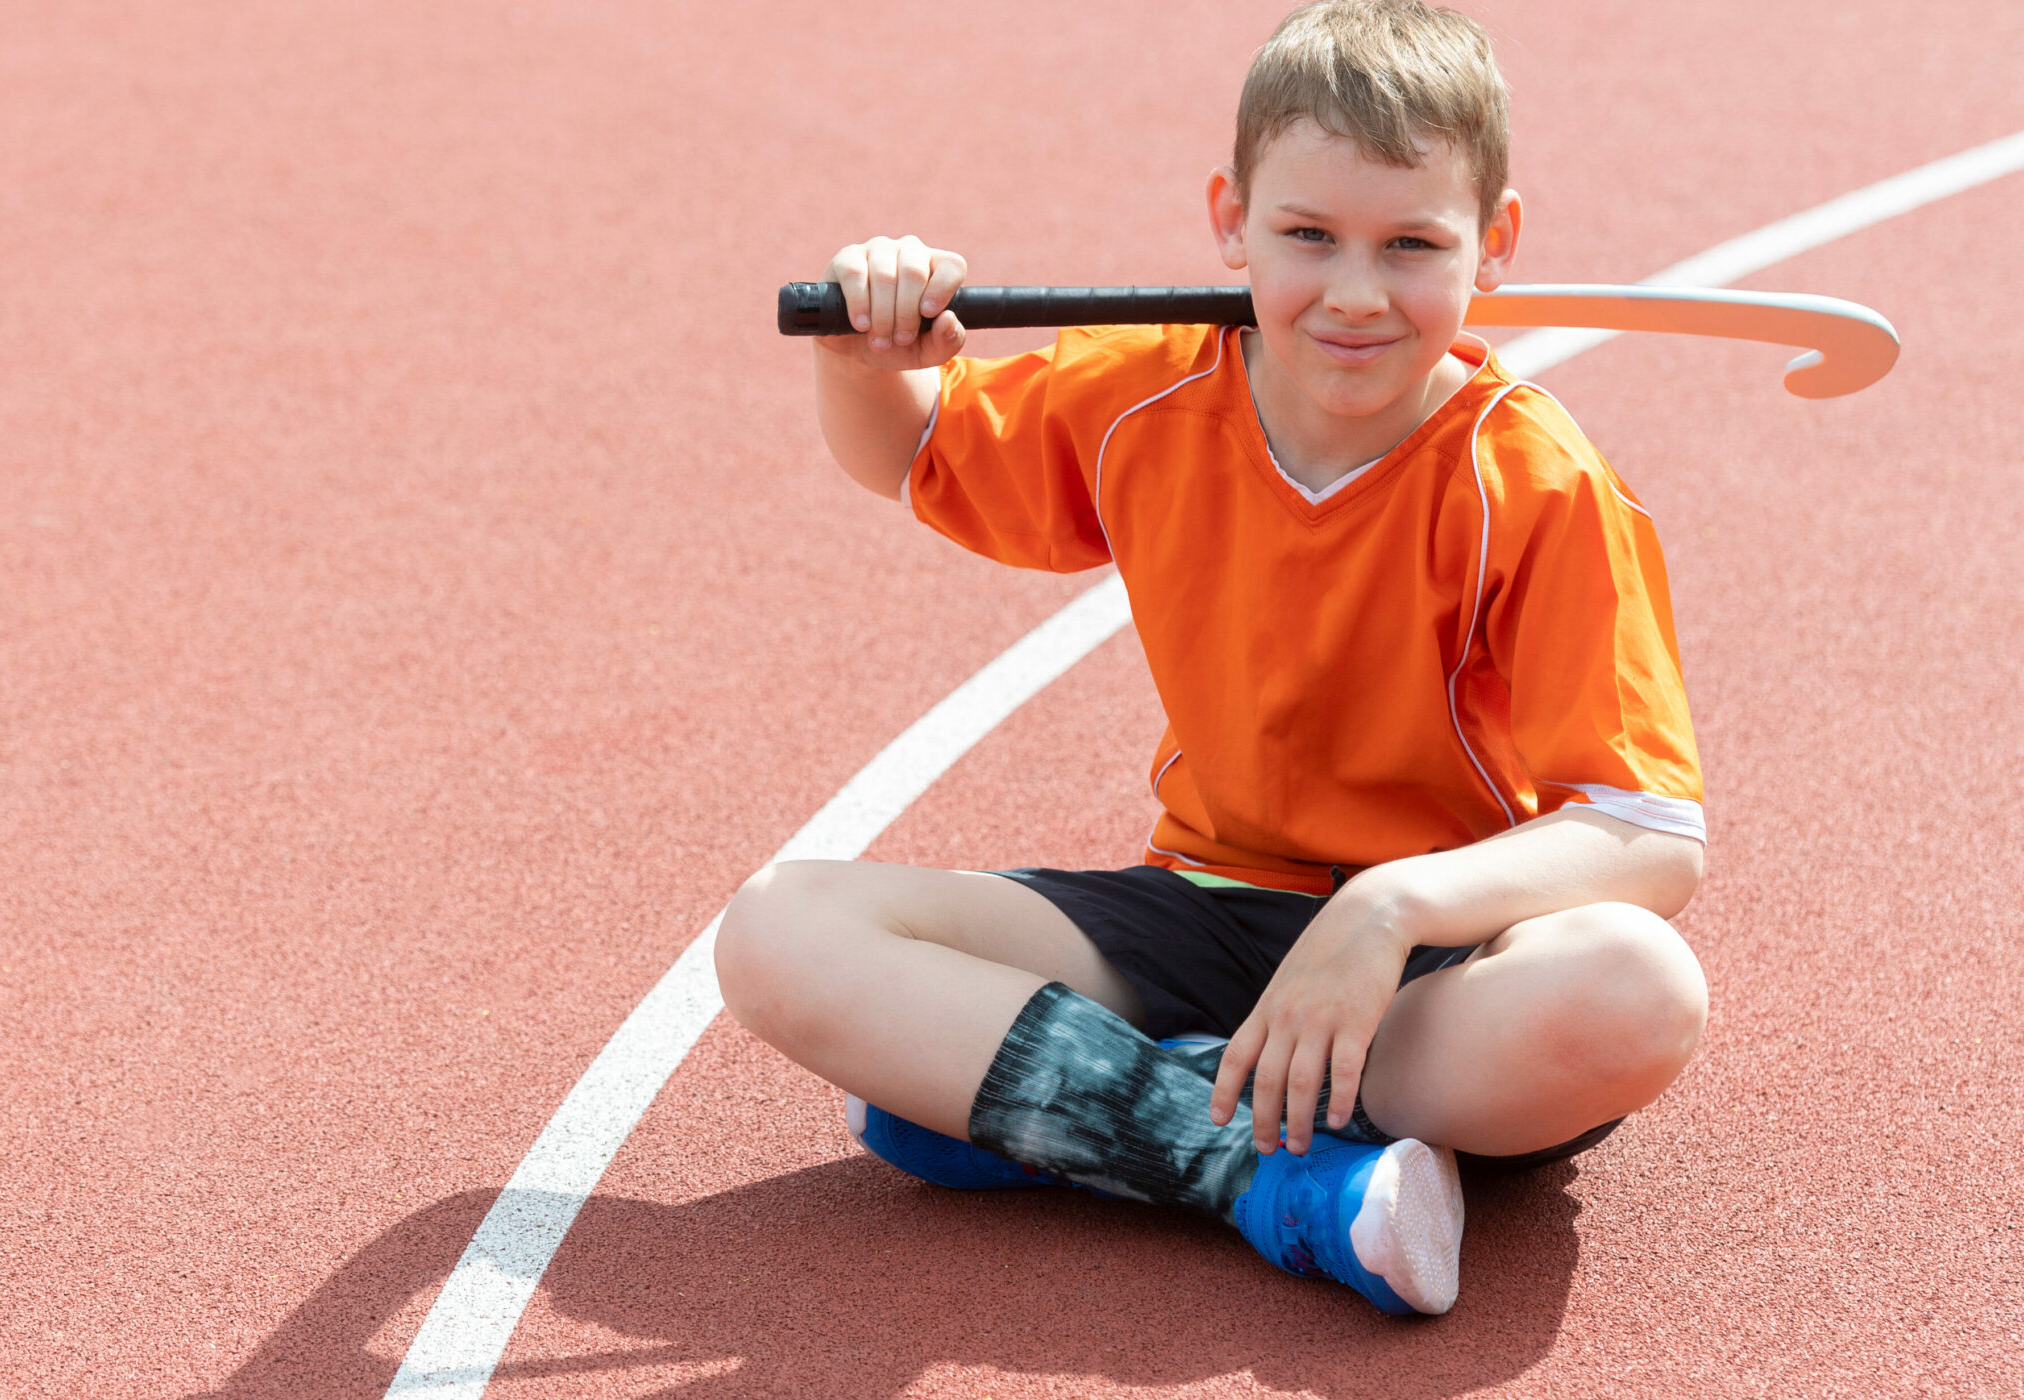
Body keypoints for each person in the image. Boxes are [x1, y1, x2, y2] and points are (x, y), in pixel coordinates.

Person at [715, 0, 1708, 1316]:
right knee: (780, 930)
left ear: (1498, 242)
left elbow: (1649, 836)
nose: (1357, 292)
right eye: (1309, 237)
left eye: (1412, 244)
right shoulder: (1152, 398)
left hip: (1433, 976)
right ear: (1230, 221)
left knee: (1639, 990)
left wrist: (1387, 908)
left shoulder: (1533, 478)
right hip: (1198, 908)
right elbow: (909, 448)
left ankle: (1060, 1100)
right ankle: (1257, 1168)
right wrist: (861, 355)